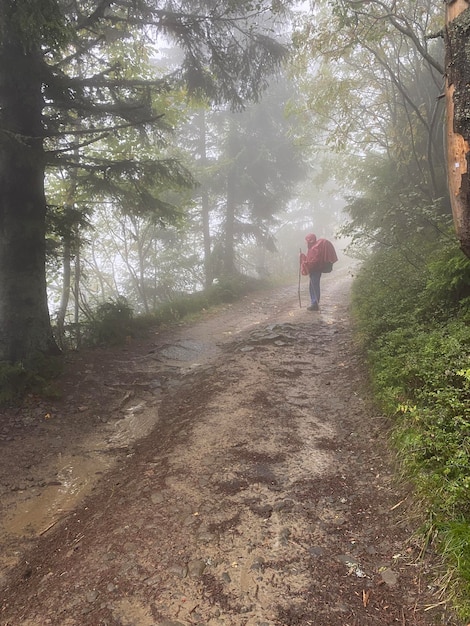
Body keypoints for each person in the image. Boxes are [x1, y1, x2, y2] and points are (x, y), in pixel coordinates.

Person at [300, 233, 338, 311]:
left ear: (309, 240)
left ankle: (315, 304)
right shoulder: (312, 248)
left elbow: (314, 261)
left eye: (306, 240)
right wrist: (303, 257)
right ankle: (314, 303)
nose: (305, 242)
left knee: (314, 286)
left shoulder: (314, 248)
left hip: (315, 270)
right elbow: (310, 259)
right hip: (314, 270)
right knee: (312, 286)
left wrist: (305, 262)